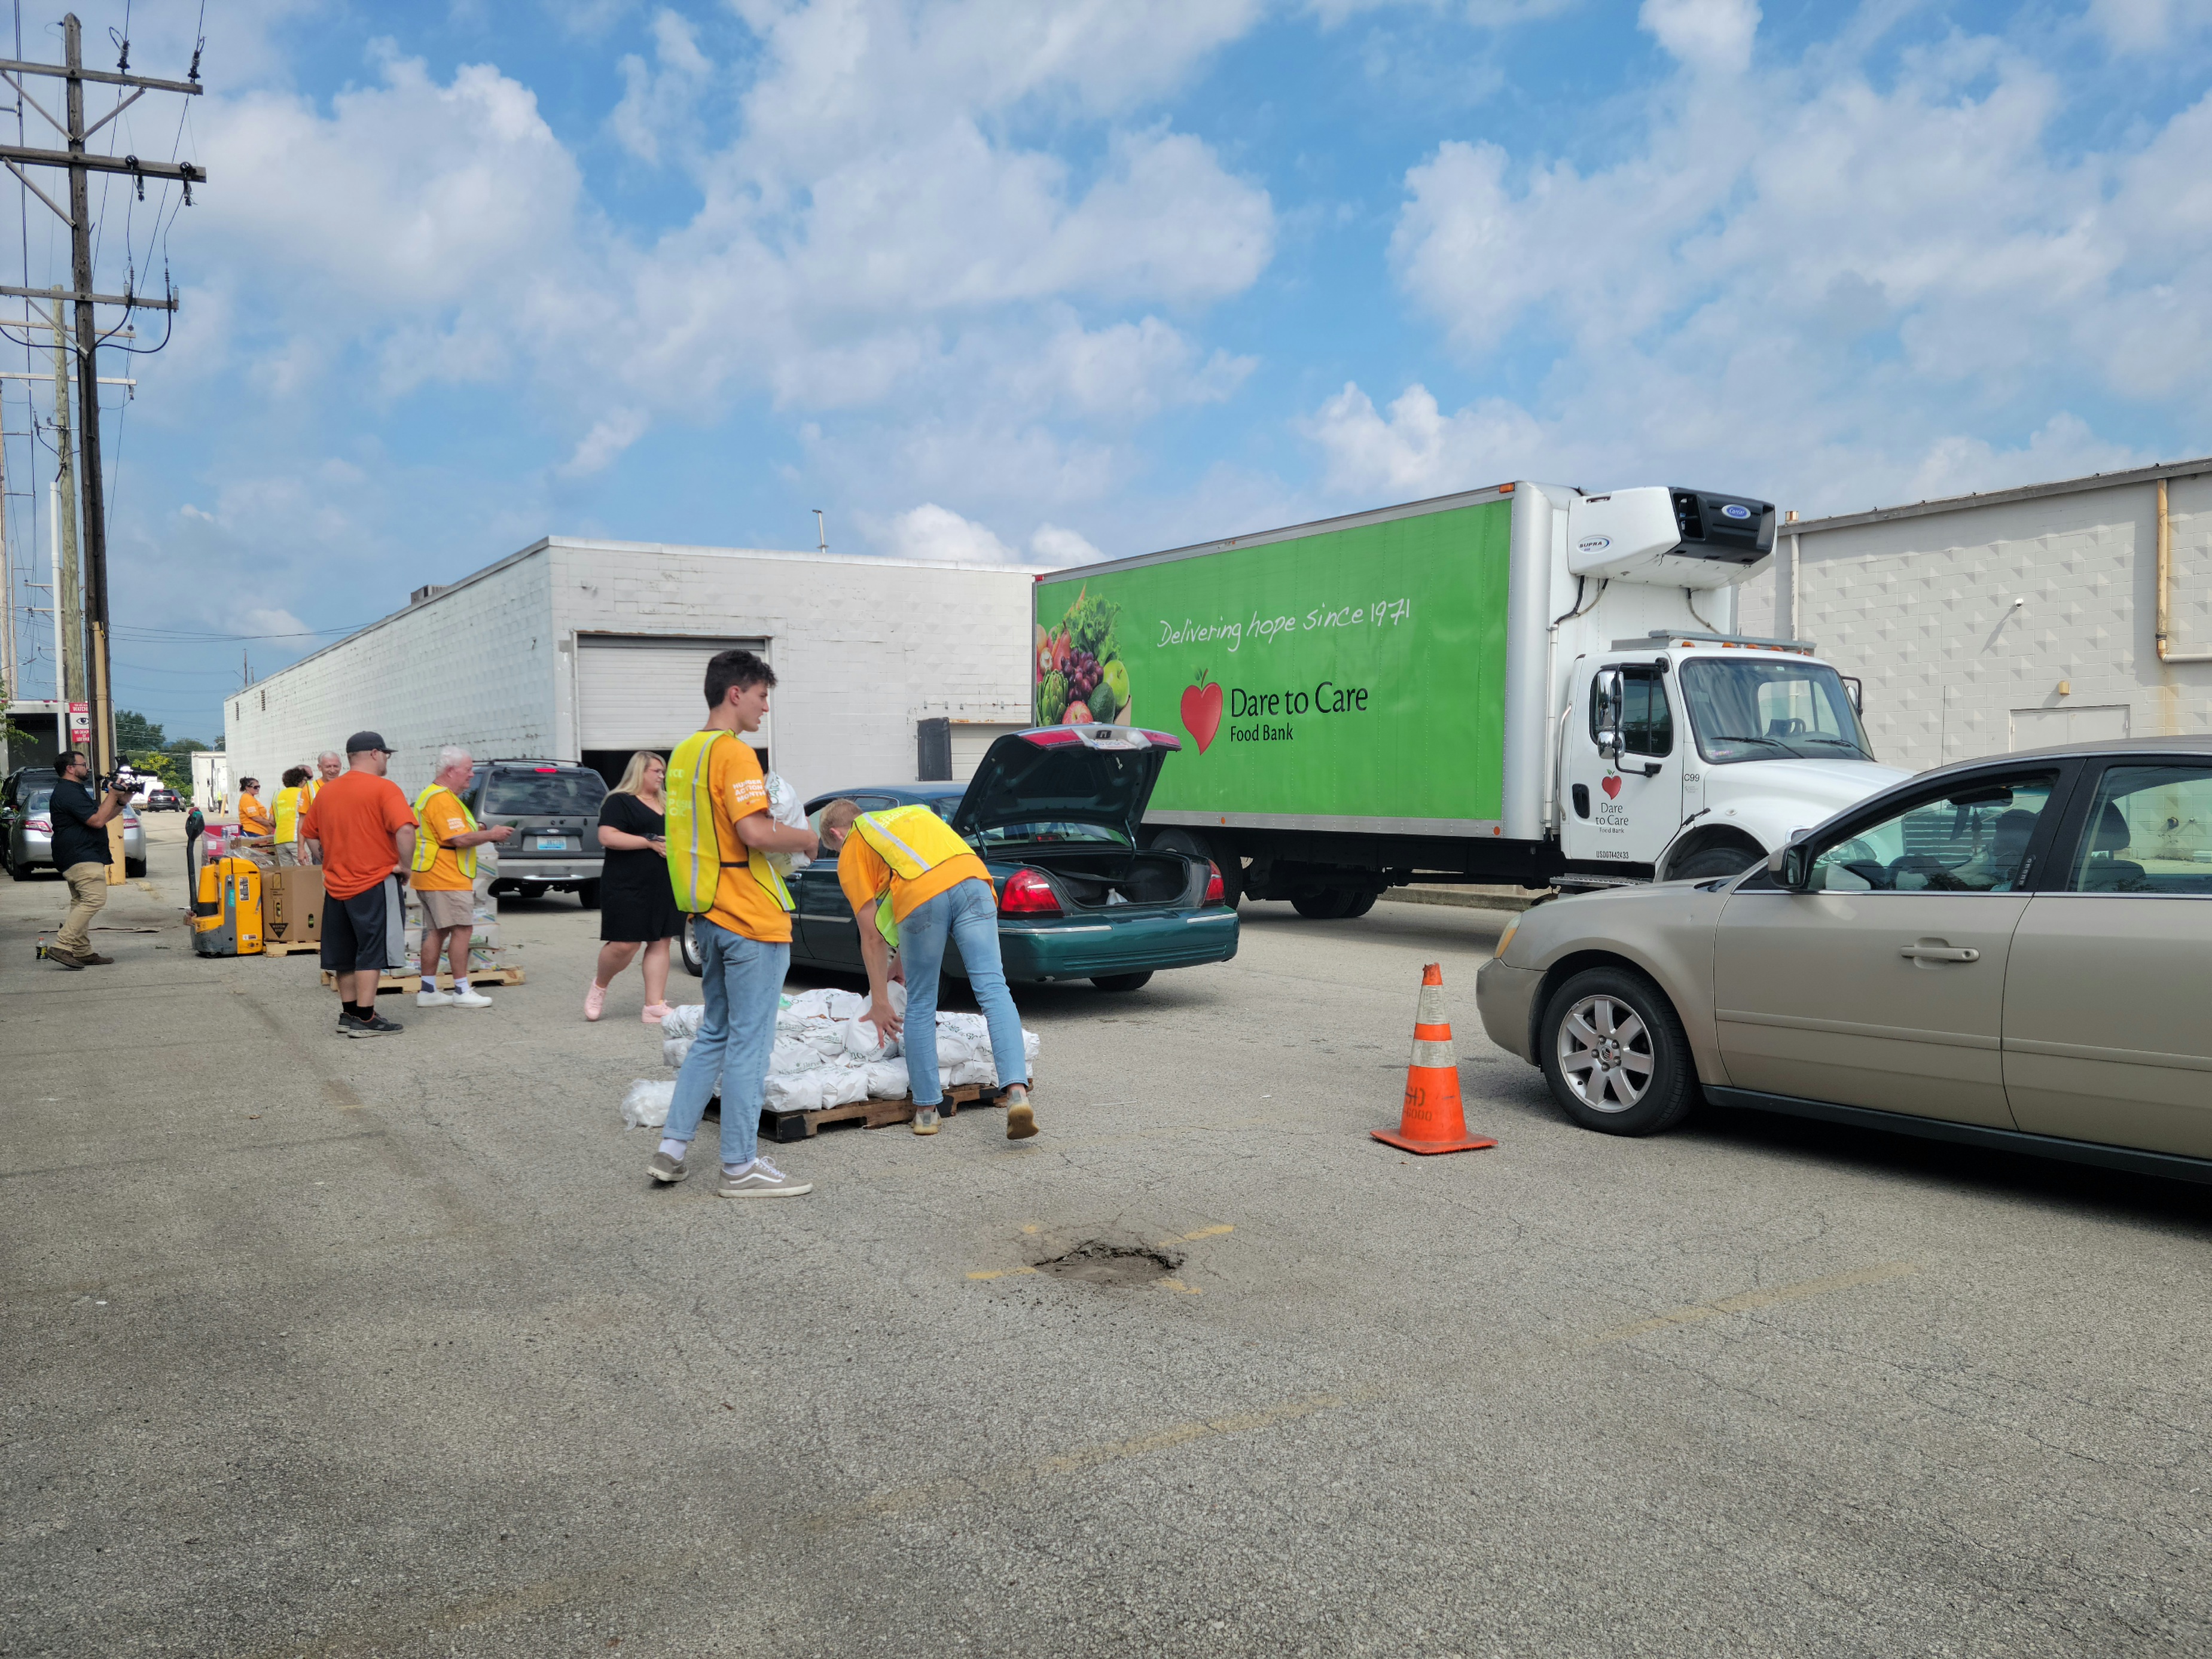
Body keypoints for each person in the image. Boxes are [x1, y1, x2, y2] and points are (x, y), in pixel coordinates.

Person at [652, 649, 822, 1198]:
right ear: (735, 694)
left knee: (714, 1035)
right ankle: (739, 1167)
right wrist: (806, 838)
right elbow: (753, 831)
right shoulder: (734, 753)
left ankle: (672, 1149)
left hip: (709, 914)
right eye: (761, 696)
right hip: (751, 917)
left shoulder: (683, 755)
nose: (764, 708)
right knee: (750, 1042)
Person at [817, 799, 1036, 1139]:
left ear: (836, 833)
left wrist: (880, 1000)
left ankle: (926, 1111)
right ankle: (1017, 1094)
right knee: (994, 990)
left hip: (921, 898)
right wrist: (898, 964)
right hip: (975, 881)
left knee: (920, 1001)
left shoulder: (854, 845)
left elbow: (872, 935)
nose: (838, 852)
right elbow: (926, 876)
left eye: (834, 847)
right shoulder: (915, 814)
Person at [301, 731, 417, 1038]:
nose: (387, 760)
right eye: (387, 755)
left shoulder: (327, 792)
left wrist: (326, 860)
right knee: (371, 948)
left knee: (344, 951)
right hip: (373, 881)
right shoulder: (384, 789)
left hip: (337, 884)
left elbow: (309, 832)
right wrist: (405, 867)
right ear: (376, 753)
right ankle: (366, 1019)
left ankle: (349, 1013)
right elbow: (405, 830)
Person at [409, 746, 512, 1011]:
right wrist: (492, 834)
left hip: (433, 875)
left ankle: (429, 990)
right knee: (463, 929)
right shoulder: (442, 799)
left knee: (437, 931)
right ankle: (462, 990)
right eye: (468, 770)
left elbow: (452, 831)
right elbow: (457, 839)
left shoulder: (434, 796)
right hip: (445, 876)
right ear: (450, 771)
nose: (471, 775)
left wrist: (475, 829)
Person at [587, 750, 683, 1025]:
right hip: (627, 884)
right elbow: (608, 836)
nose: (662, 777)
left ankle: (654, 1005)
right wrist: (650, 842)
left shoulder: (669, 803)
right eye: (657, 771)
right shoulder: (619, 802)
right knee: (625, 944)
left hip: (665, 882)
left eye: (664, 772)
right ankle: (600, 985)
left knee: (661, 940)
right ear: (640, 772)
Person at [44, 749, 132, 969]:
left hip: (79, 854)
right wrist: (112, 794)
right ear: (70, 768)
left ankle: (82, 952)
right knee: (94, 899)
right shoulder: (68, 792)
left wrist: (122, 801)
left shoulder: (75, 790)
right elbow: (96, 822)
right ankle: (61, 946)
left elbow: (103, 817)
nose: (88, 769)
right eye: (83, 765)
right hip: (81, 855)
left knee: (80, 903)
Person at [300, 752, 342, 865]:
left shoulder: (348, 786)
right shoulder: (310, 789)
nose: (332, 770)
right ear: (320, 767)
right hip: (321, 846)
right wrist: (301, 848)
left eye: (336, 766)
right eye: (328, 766)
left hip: (346, 845)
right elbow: (303, 820)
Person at [271, 767, 312, 866]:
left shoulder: (277, 795)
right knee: (305, 873)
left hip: (280, 840)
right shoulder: (304, 794)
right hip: (298, 840)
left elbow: (271, 820)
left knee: (288, 875)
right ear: (301, 781)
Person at [237, 777, 271, 843]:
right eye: (255, 787)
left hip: (258, 832)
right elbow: (256, 818)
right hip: (253, 833)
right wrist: (271, 824)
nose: (258, 789)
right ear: (247, 788)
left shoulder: (251, 798)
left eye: (259, 787)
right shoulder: (247, 798)